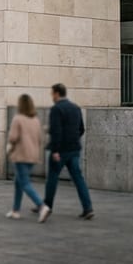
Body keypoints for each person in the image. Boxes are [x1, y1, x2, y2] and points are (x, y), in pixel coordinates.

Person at [39, 83, 93, 222]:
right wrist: (73, 139)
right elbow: (81, 129)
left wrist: (56, 150)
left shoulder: (57, 109)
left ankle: (47, 206)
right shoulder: (76, 108)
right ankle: (88, 208)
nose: (51, 96)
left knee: (52, 178)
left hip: (61, 150)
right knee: (78, 179)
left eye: (52, 93)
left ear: (57, 93)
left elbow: (56, 131)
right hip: (74, 149)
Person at [5, 93, 45, 220]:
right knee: (18, 182)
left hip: (21, 155)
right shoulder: (36, 120)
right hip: (33, 156)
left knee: (25, 183)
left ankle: (42, 206)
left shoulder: (18, 118)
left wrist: (10, 145)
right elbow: (40, 139)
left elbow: (13, 137)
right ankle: (15, 210)